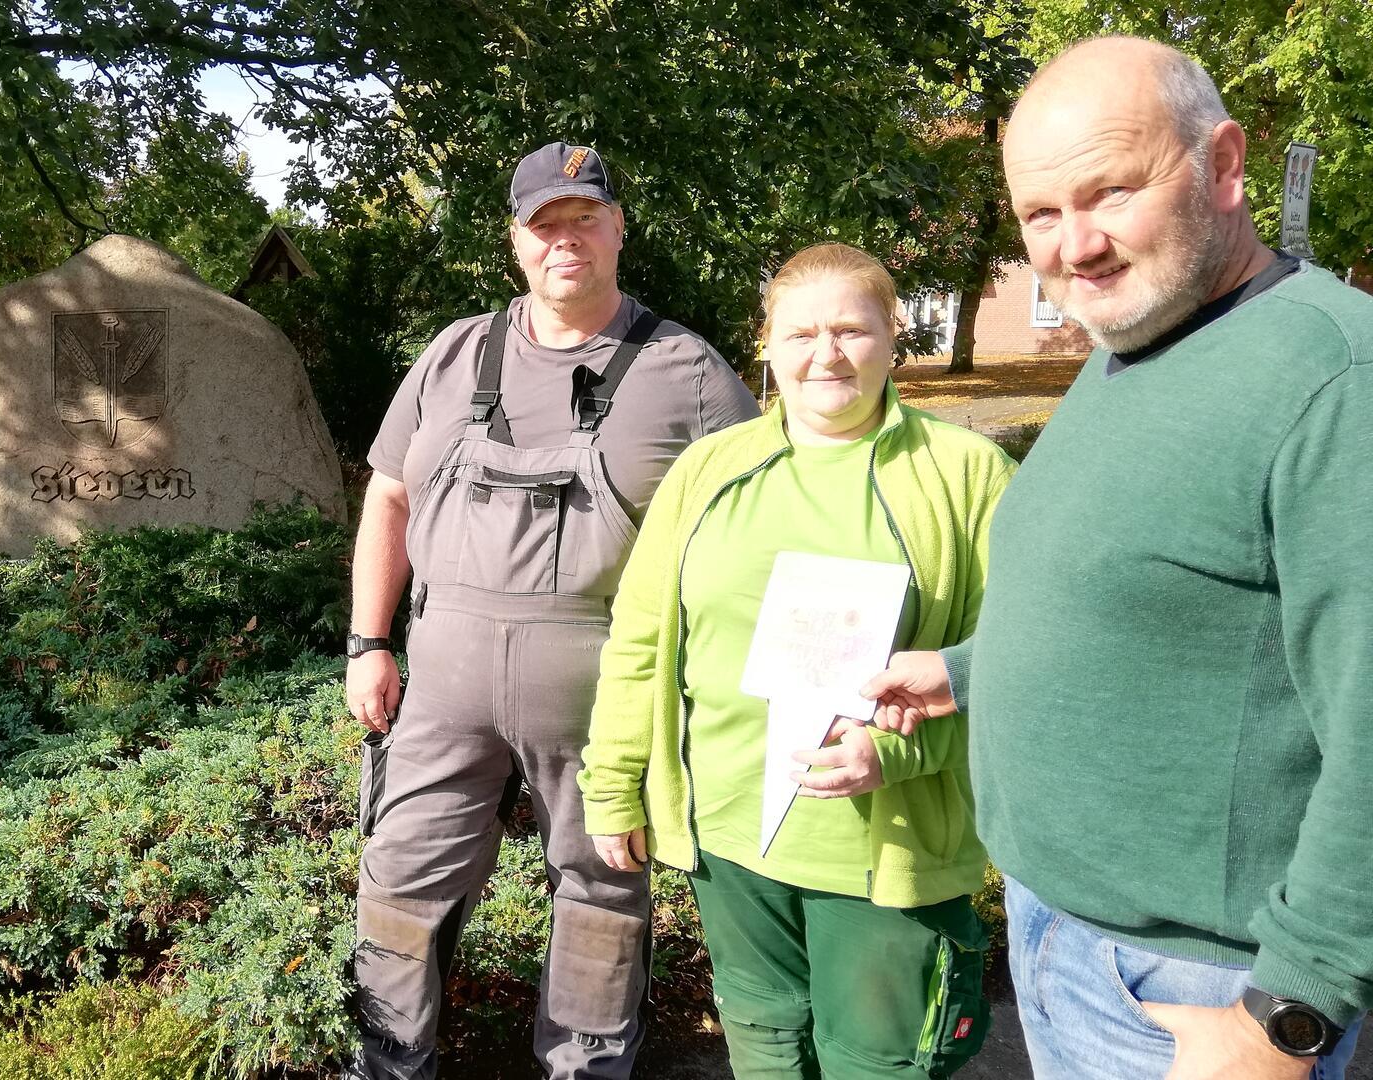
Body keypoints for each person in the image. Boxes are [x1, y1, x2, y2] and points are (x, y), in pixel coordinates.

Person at [860, 36, 1373, 1080]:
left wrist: (1290, 1015)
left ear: (1225, 165)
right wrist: (966, 673)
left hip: (1200, 991)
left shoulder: (1333, 375)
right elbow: (1154, 593)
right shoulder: (1141, 339)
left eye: (1110, 192)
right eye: (1041, 215)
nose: (1074, 245)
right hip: (1066, 946)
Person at [343, 141, 759, 1080]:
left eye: (585, 219)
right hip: (440, 687)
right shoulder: (454, 353)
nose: (565, 240)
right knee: (401, 877)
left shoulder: (686, 370)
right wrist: (370, 639)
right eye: (546, 225)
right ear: (517, 244)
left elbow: (758, 520)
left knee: (603, 895)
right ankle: (386, 1061)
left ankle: (586, 1068)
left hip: (604, 698)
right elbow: (388, 499)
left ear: (617, 230)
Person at [580, 242, 1016, 1078]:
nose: (826, 354)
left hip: (886, 851)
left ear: (895, 334)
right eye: (802, 332)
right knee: (765, 1044)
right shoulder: (710, 469)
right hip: (731, 835)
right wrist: (612, 788)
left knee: (877, 1062)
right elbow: (639, 638)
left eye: (852, 330)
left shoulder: (969, 478)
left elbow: (1021, 665)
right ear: (766, 343)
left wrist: (895, 752)